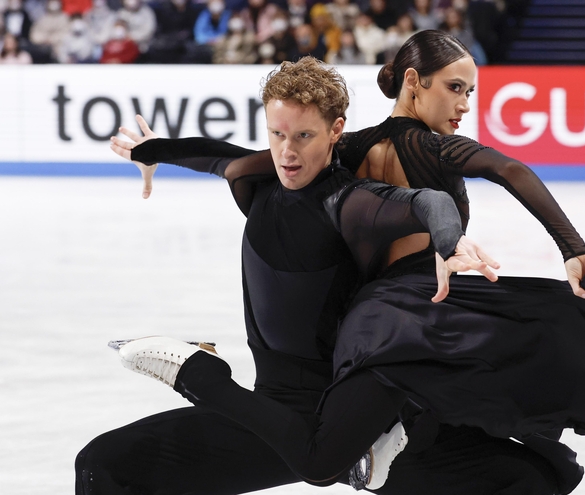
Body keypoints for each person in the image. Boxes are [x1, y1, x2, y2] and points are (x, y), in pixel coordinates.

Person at [125, 30, 585, 494]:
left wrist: (155, 150)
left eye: (469, 91)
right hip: (422, 310)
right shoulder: (430, 146)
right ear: (413, 82)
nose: (464, 104)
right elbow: (508, 170)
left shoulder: (350, 146)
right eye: (454, 88)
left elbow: (233, 160)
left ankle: (384, 452)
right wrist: (572, 248)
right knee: (570, 345)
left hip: (369, 317)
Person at [78, 57, 557, 495]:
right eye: (277, 135)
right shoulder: (254, 181)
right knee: (104, 463)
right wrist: (152, 150)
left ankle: (196, 373)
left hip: (343, 416)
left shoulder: (350, 203)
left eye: (304, 136)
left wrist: (449, 242)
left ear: (335, 132)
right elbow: (211, 155)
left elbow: (431, 202)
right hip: (271, 414)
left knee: (519, 478)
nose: (287, 152)